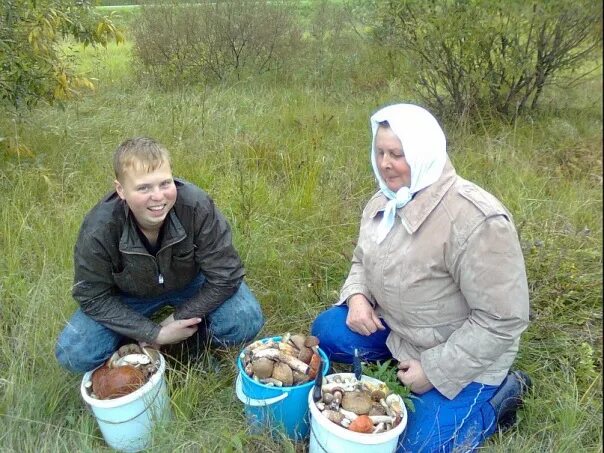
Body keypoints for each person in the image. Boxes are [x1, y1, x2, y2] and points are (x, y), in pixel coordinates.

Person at [311, 104, 531, 452]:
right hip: (402, 331)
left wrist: (434, 370)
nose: (385, 163)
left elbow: (503, 319)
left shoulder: (478, 222)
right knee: (327, 332)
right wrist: (356, 297)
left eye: (397, 154)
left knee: (413, 445)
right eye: (380, 152)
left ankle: (500, 396)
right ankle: (402, 367)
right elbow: (361, 260)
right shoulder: (385, 201)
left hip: (463, 357)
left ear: (423, 153)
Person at [56, 137, 264, 373]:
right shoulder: (99, 228)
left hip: (190, 283)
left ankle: (192, 346)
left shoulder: (196, 207)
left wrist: (177, 319)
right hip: (128, 295)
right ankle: (135, 352)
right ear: (121, 190)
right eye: (143, 187)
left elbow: (226, 275)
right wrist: (153, 332)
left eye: (165, 183)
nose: (158, 196)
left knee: (245, 319)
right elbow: (91, 296)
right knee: (74, 352)